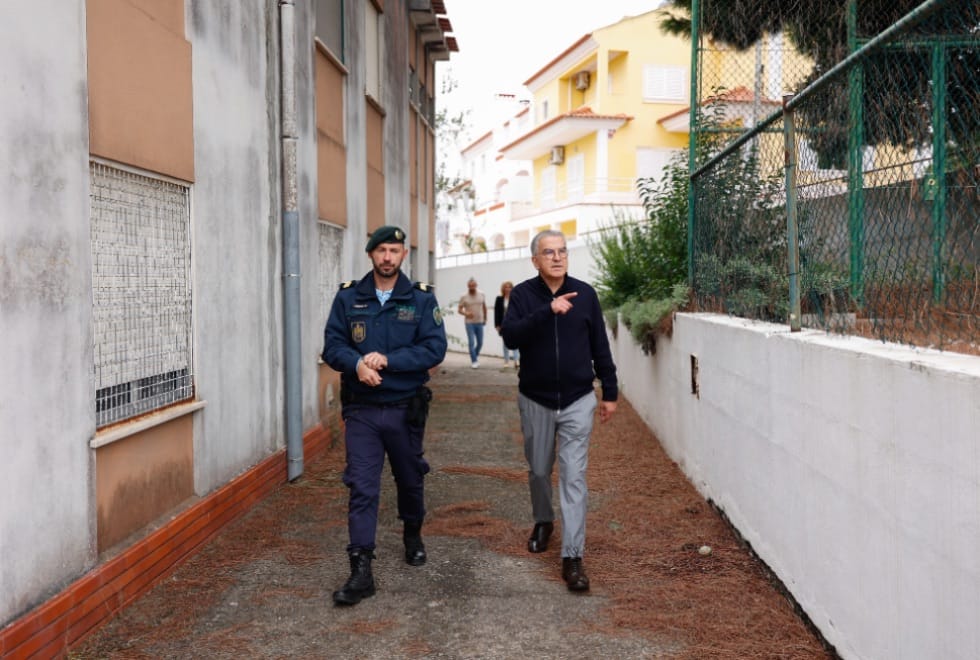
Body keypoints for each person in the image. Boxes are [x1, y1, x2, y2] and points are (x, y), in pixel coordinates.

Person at [322, 225, 448, 606]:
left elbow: (434, 348)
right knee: (362, 486)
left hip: (404, 409)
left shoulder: (421, 300)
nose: (388, 257)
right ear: (371, 255)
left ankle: (413, 533)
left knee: (409, 479)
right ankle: (361, 569)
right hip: (361, 409)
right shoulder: (349, 298)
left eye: (395, 250)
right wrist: (357, 363)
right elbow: (332, 345)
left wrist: (390, 360)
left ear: (403, 255)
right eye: (382, 251)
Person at [501, 230, 618, 592]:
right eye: (548, 252)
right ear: (535, 260)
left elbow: (599, 342)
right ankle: (543, 520)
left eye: (562, 251)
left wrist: (610, 391)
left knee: (573, 476)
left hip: (578, 400)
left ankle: (572, 556)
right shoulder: (522, 295)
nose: (557, 257)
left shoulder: (585, 294)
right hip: (535, 398)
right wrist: (546, 311)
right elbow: (510, 336)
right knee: (538, 470)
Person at [457, 277, 487, 368]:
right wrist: (466, 313)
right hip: (469, 322)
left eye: (473, 285)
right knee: (471, 342)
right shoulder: (464, 296)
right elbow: (459, 310)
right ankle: (474, 361)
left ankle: (474, 356)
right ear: (468, 286)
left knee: (480, 342)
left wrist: (485, 318)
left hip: (480, 321)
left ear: (476, 285)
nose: (472, 287)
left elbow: (484, 307)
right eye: (470, 286)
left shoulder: (482, 294)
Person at [493, 281, 519, 368]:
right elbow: (496, 313)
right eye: (506, 287)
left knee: (516, 341)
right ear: (503, 289)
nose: (508, 289)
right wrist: (497, 325)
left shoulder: (515, 298)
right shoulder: (499, 299)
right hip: (503, 324)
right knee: (505, 343)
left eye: (509, 287)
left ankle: (516, 360)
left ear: (512, 288)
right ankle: (506, 361)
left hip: (514, 323)